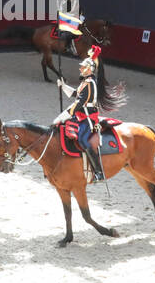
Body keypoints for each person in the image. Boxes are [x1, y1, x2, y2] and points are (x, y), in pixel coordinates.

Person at [53, 44, 126, 183]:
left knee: (82, 139)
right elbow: (76, 94)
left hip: (87, 119)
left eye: (83, 66)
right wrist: (63, 86)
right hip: (80, 116)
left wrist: (61, 116)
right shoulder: (85, 82)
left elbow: (78, 103)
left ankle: (98, 171)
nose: (80, 68)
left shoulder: (90, 83)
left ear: (89, 69)